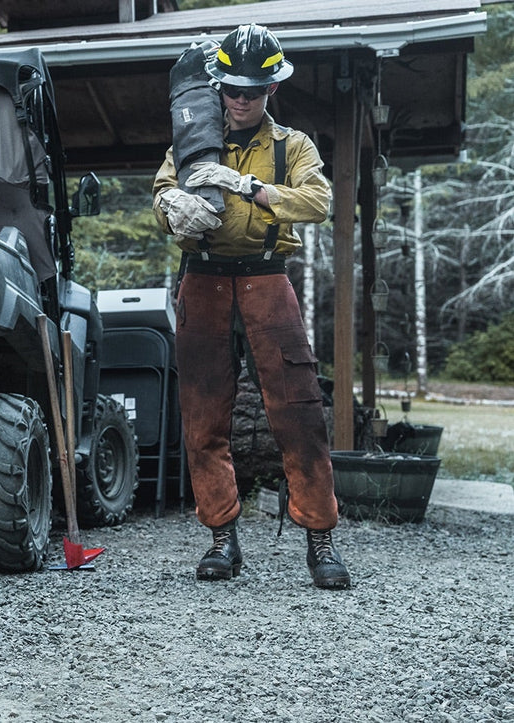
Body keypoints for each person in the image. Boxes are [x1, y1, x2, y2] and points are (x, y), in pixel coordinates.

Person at [152, 24, 351, 590]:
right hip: (205, 279)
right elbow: (160, 196)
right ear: (217, 86)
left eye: (253, 90)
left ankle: (320, 538)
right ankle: (222, 539)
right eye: (233, 89)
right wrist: (174, 208)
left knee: (299, 409)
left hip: (266, 276)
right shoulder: (190, 144)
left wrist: (244, 186)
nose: (241, 99)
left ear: (271, 90)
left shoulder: (293, 145)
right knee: (202, 412)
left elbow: (317, 200)